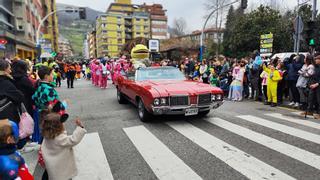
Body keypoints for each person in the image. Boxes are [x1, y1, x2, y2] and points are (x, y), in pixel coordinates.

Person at [41, 113, 86, 180]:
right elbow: (73, 140)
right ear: (59, 126)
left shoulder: (46, 137)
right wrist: (80, 127)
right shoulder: (59, 139)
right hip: (61, 169)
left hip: (52, 166)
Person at [0, 60, 24, 124]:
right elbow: (19, 97)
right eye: (9, 69)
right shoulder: (5, 82)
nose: (10, 71)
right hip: (6, 118)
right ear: (4, 69)